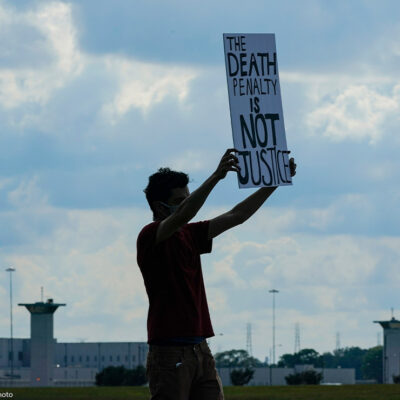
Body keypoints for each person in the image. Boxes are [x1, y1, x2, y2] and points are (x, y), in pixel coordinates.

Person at [137, 148, 296, 399]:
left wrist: (274, 183)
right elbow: (186, 213)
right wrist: (216, 176)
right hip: (168, 352)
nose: (188, 203)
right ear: (159, 206)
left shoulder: (189, 234)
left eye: (188, 197)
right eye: (181, 200)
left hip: (200, 348)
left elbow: (237, 215)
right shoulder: (150, 235)